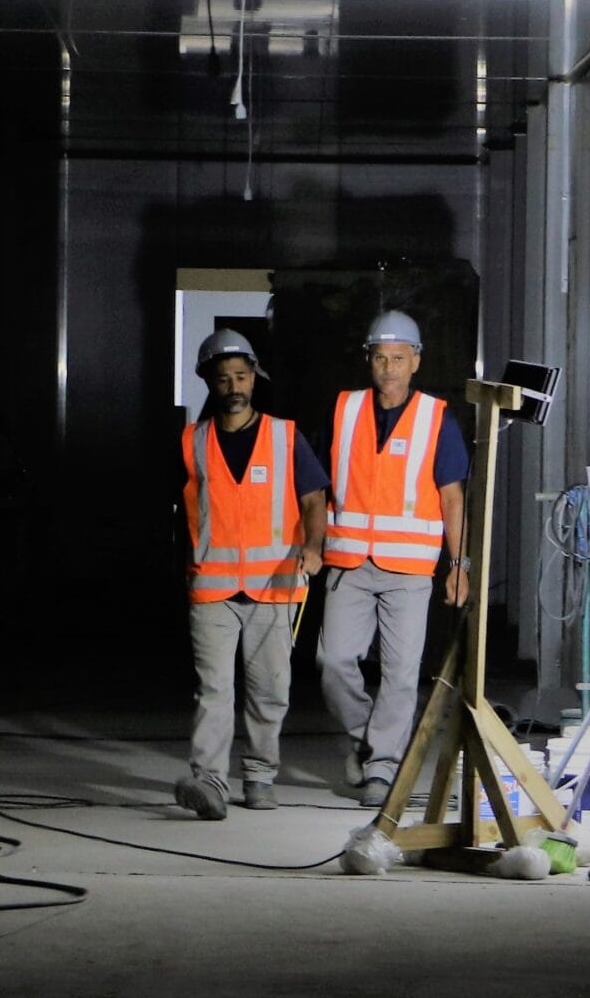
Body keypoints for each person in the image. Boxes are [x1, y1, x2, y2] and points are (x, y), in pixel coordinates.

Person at [172, 327, 330, 820]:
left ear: (254, 379)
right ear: (209, 383)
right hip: (213, 587)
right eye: (223, 379)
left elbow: (313, 499)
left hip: (273, 585)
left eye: (241, 376)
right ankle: (209, 782)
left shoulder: (285, 436)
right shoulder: (191, 442)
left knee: (269, 689)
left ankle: (260, 775)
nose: (233, 387)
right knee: (214, 689)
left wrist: (314, 546)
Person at [317, 309, 470, 807]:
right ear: (370, 360)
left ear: (416, 361)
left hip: (409, 569)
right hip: (349, 563)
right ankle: (369, 740)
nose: (389, 368)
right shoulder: (343, 410)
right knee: (334, 661)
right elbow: (316, 488)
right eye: (380, 358)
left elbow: (452, 497)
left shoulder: (436, 417)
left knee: (401, 673)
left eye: (399, 358)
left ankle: (381, 766)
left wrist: (459, 565)